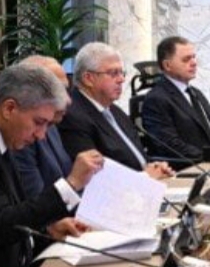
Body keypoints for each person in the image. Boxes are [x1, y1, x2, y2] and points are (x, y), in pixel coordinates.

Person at [0, 64, 103, 267]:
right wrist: (70, 185)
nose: (41, 135)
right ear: (9, 108)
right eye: (39, 122)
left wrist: (47, 230)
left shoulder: (0, 135)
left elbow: (13, 210)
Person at [59, 42, 173, 179]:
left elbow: (135, 156)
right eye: (113, 73)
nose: (122, 79)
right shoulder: (73, 117)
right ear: (88, 78)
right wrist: (143, 177)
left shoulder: (115, 111)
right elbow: (93, 175)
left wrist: (154, 166)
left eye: (121, 73)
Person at [141, 37, 210, 161]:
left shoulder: (196, 93)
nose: (194, 63)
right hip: (191, 166)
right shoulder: (156, 99)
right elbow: (171, 146)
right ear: (167, 65)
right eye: (186, 59)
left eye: (194, 57)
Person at [12, 56, 75, 199]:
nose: (68, 100)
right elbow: (36, 203)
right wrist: (75, 181)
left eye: (66, 90)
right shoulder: (20, 136)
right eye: (58, 92)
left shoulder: (52, 122)